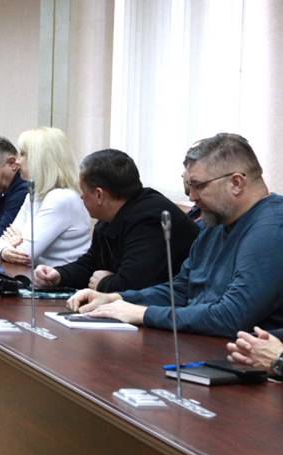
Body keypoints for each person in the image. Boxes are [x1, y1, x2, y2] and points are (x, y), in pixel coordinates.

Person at [71, 133, 283, 335]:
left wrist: (143, 314)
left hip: (236, 353)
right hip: (199, 342)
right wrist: (117, 299)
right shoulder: (215, 223)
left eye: (198, 186)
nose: (192, 197)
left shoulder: (271, 228)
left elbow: (231, 316)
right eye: (190, 186)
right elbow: (181, 289)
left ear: (236, 183)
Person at [33, 148, 198, 293]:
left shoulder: (150, 219)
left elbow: (136, 285)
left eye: (83, 191)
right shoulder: (111, 216)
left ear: (99, 195)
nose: (81, 197)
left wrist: (104, 283)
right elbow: (92, 264)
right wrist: (59, 275)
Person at [0, 127, 92, 267]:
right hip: (37, 276)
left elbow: (25, 254)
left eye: (23, 154)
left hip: (62, 279)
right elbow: (1, 240)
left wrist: (12, 242)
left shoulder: (61, 198)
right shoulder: (35, 195)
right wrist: (4, 249)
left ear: (41, 159)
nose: (18, 161)